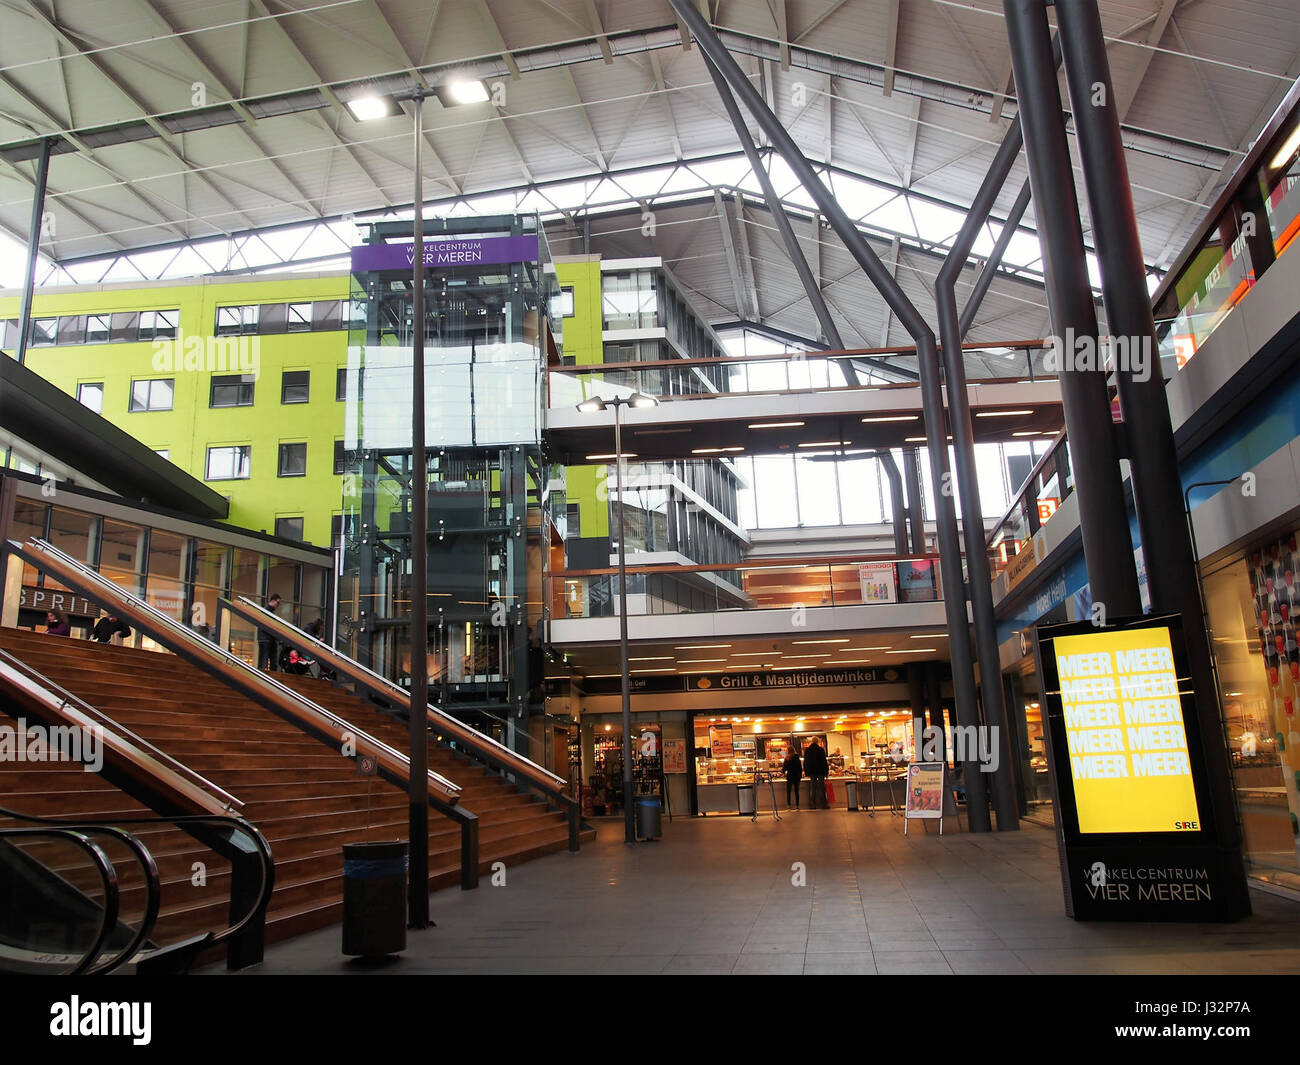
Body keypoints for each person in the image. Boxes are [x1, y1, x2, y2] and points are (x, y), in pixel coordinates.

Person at [257, 592, 282, 671]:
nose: (278, 605)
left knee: (267, 661)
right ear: (273, 601)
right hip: (266, 638)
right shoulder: (267, 611)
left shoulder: (269, 611)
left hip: (268, 638)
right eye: (278, 602)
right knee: (265, 661)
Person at [804, 737, 829, 809]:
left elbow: (806, 762)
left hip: (812, 772)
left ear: (812, 742)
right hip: (821, 771)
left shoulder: (808, 750)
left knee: (813, 788)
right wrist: (826, 771)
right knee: (822, 788)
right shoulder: (821, 750)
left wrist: (806, 772)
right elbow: (824, 762)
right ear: (817, 742)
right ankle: (823, 804)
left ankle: (813, 804)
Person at [782, 744, 803, 809]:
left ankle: (789, 805)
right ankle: (797, 805)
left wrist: (781, 772)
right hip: (797, 776)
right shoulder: (797, 757)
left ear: (788, 751)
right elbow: (800, 768)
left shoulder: (787, 758)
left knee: (789, 791)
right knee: (796, 791)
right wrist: (800, 775)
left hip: (790, 776)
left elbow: (784, 768)